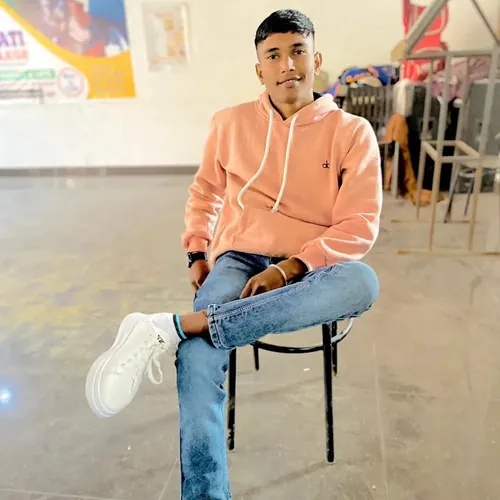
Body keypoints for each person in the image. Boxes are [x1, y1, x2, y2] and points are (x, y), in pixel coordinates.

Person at [85, 9, 382, 500]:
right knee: (197, 357)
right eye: (274, 55)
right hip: (240, 257)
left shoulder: (352, 132)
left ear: (316, 60)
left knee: (363, 282)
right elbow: (205, 191)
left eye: (298, 51)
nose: (287, 64)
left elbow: (359, 223)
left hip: (314, 265)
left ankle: (174, 326)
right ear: (259, 69)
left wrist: (288, 269)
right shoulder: (230, 123)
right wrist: (197, 252)